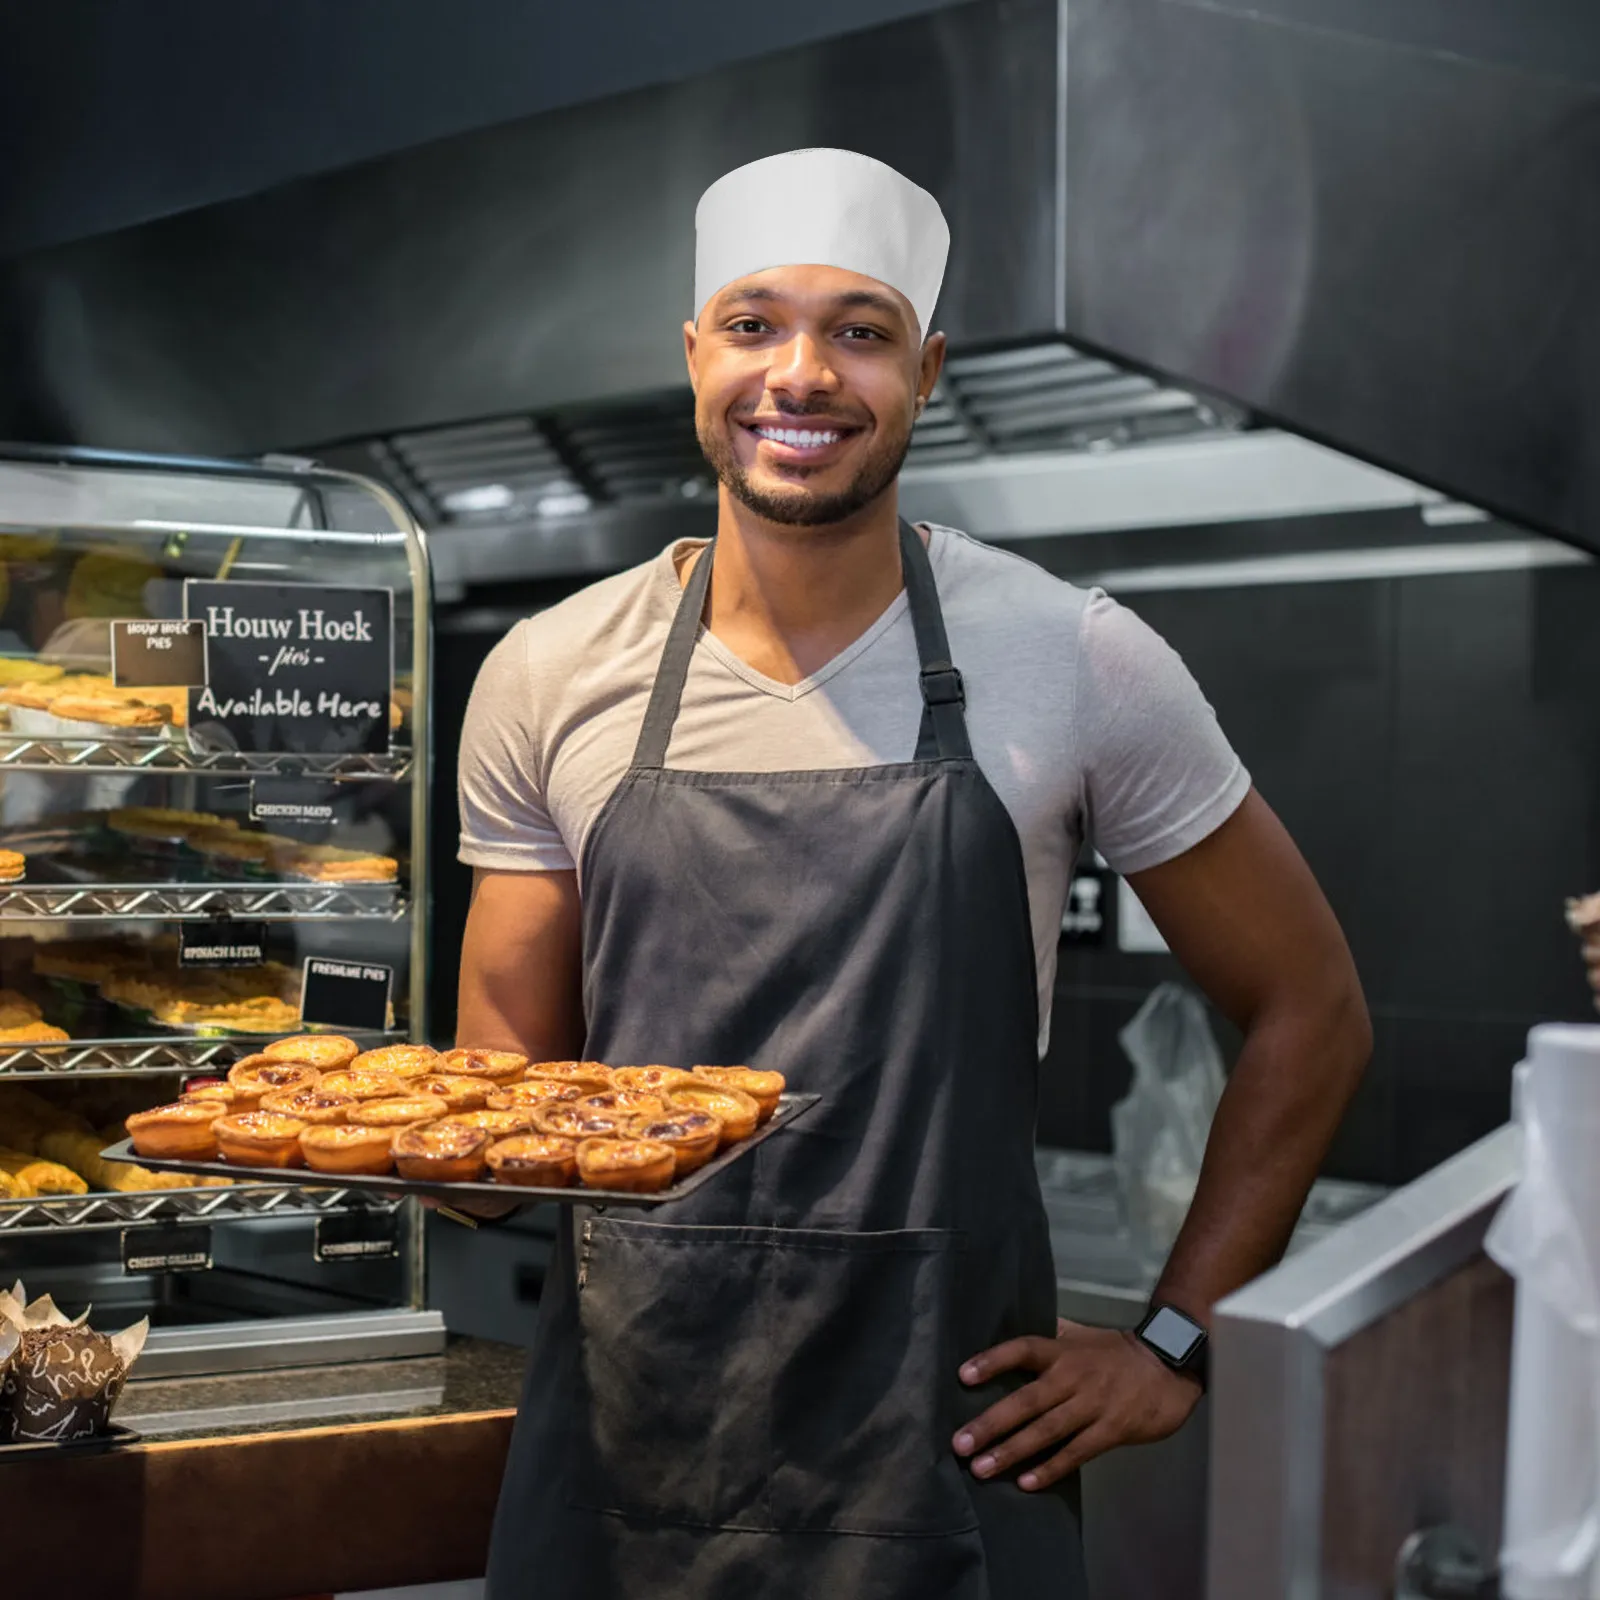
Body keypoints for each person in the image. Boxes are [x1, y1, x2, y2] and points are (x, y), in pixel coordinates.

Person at [457, 148, 1371, 1599]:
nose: (801, 376)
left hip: (945, 1470)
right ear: (695, 352)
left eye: (861, 332)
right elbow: (495, 1104)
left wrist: (1175, 1341)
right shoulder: (551, 674)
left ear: (928, 369)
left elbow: (1314, 1008)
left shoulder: (1076, 661)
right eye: (754, 325)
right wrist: (352, 1142)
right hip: (621, 1469)